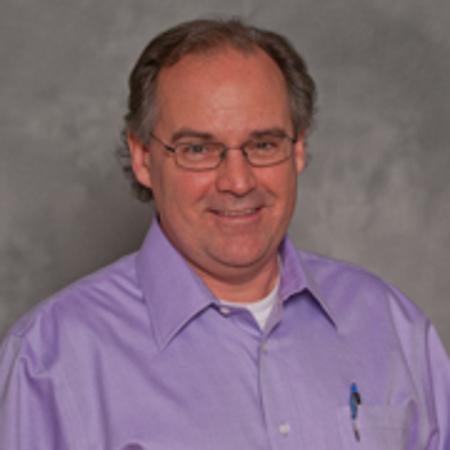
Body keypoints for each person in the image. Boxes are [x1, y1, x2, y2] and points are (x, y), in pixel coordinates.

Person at [0, 18, 449, 450]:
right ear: (142, 158)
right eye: (198, 149)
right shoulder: (50, 359)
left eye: (263, 145)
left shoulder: (391, 327)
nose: (237, 181)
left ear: (297, 151)